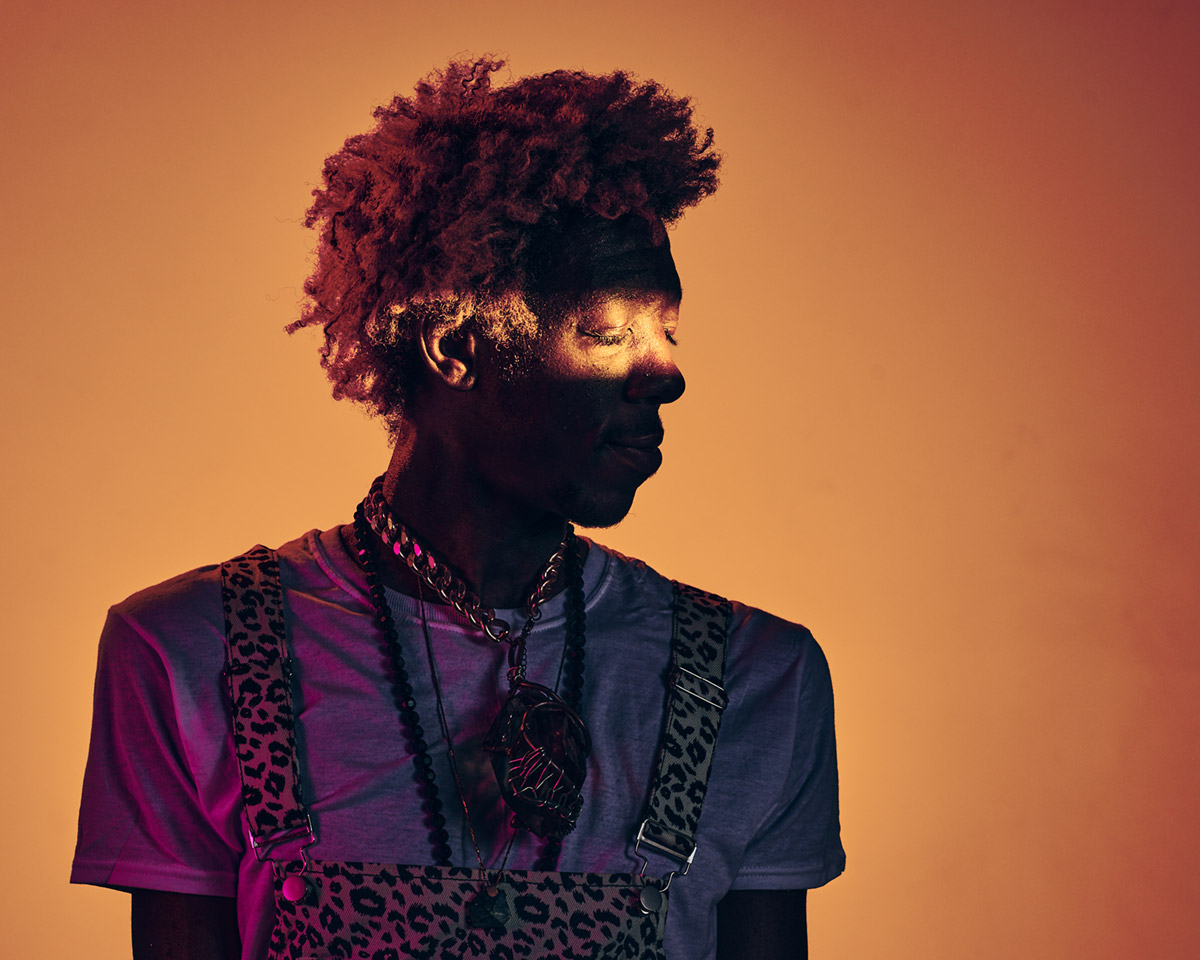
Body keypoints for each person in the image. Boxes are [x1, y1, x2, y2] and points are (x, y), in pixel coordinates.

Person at [71, 58, 845, 959]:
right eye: (607, 332)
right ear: (455, 347)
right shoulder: (188, 652)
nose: (667, 374)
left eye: (667, 331)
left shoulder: (758, 678)